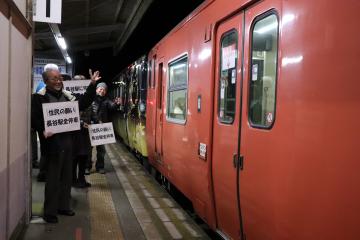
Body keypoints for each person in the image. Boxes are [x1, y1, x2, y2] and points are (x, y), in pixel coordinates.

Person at [31, 66, 101, 223]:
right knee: (53, 179)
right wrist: (42, 130)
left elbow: (83, 103)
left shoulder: (68, 96)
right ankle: (50, 212)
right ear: (45, 81)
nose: (58, 82)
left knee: (67, 177)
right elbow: (35, 118)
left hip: (69, 142)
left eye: (60, 79)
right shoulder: (38, 98)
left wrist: (91, 85)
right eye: (54, 79)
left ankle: (63, 206)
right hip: (52, 145)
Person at [87, 82, 120, 174]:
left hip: (102, 128)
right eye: (100, 89)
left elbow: (112, 107)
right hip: (91, 127)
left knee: (101, 150)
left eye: (104, 90)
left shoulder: (107, 100)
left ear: (105, 92)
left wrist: (116, 104)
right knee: (89, 149)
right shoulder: (90, 99)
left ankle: (100, 167)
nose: (102, 91)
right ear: (97, 89)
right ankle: (87, 167)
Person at [72, 75, 92, 188]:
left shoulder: (86, 97)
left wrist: (94, 121)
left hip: (85, 133)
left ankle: (81, 179)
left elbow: (91, 111)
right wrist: (80, 123)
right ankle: (73, 180)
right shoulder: (70, 96)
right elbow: (69, 114)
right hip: (74, 133)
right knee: (74, 158)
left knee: (84, 156)